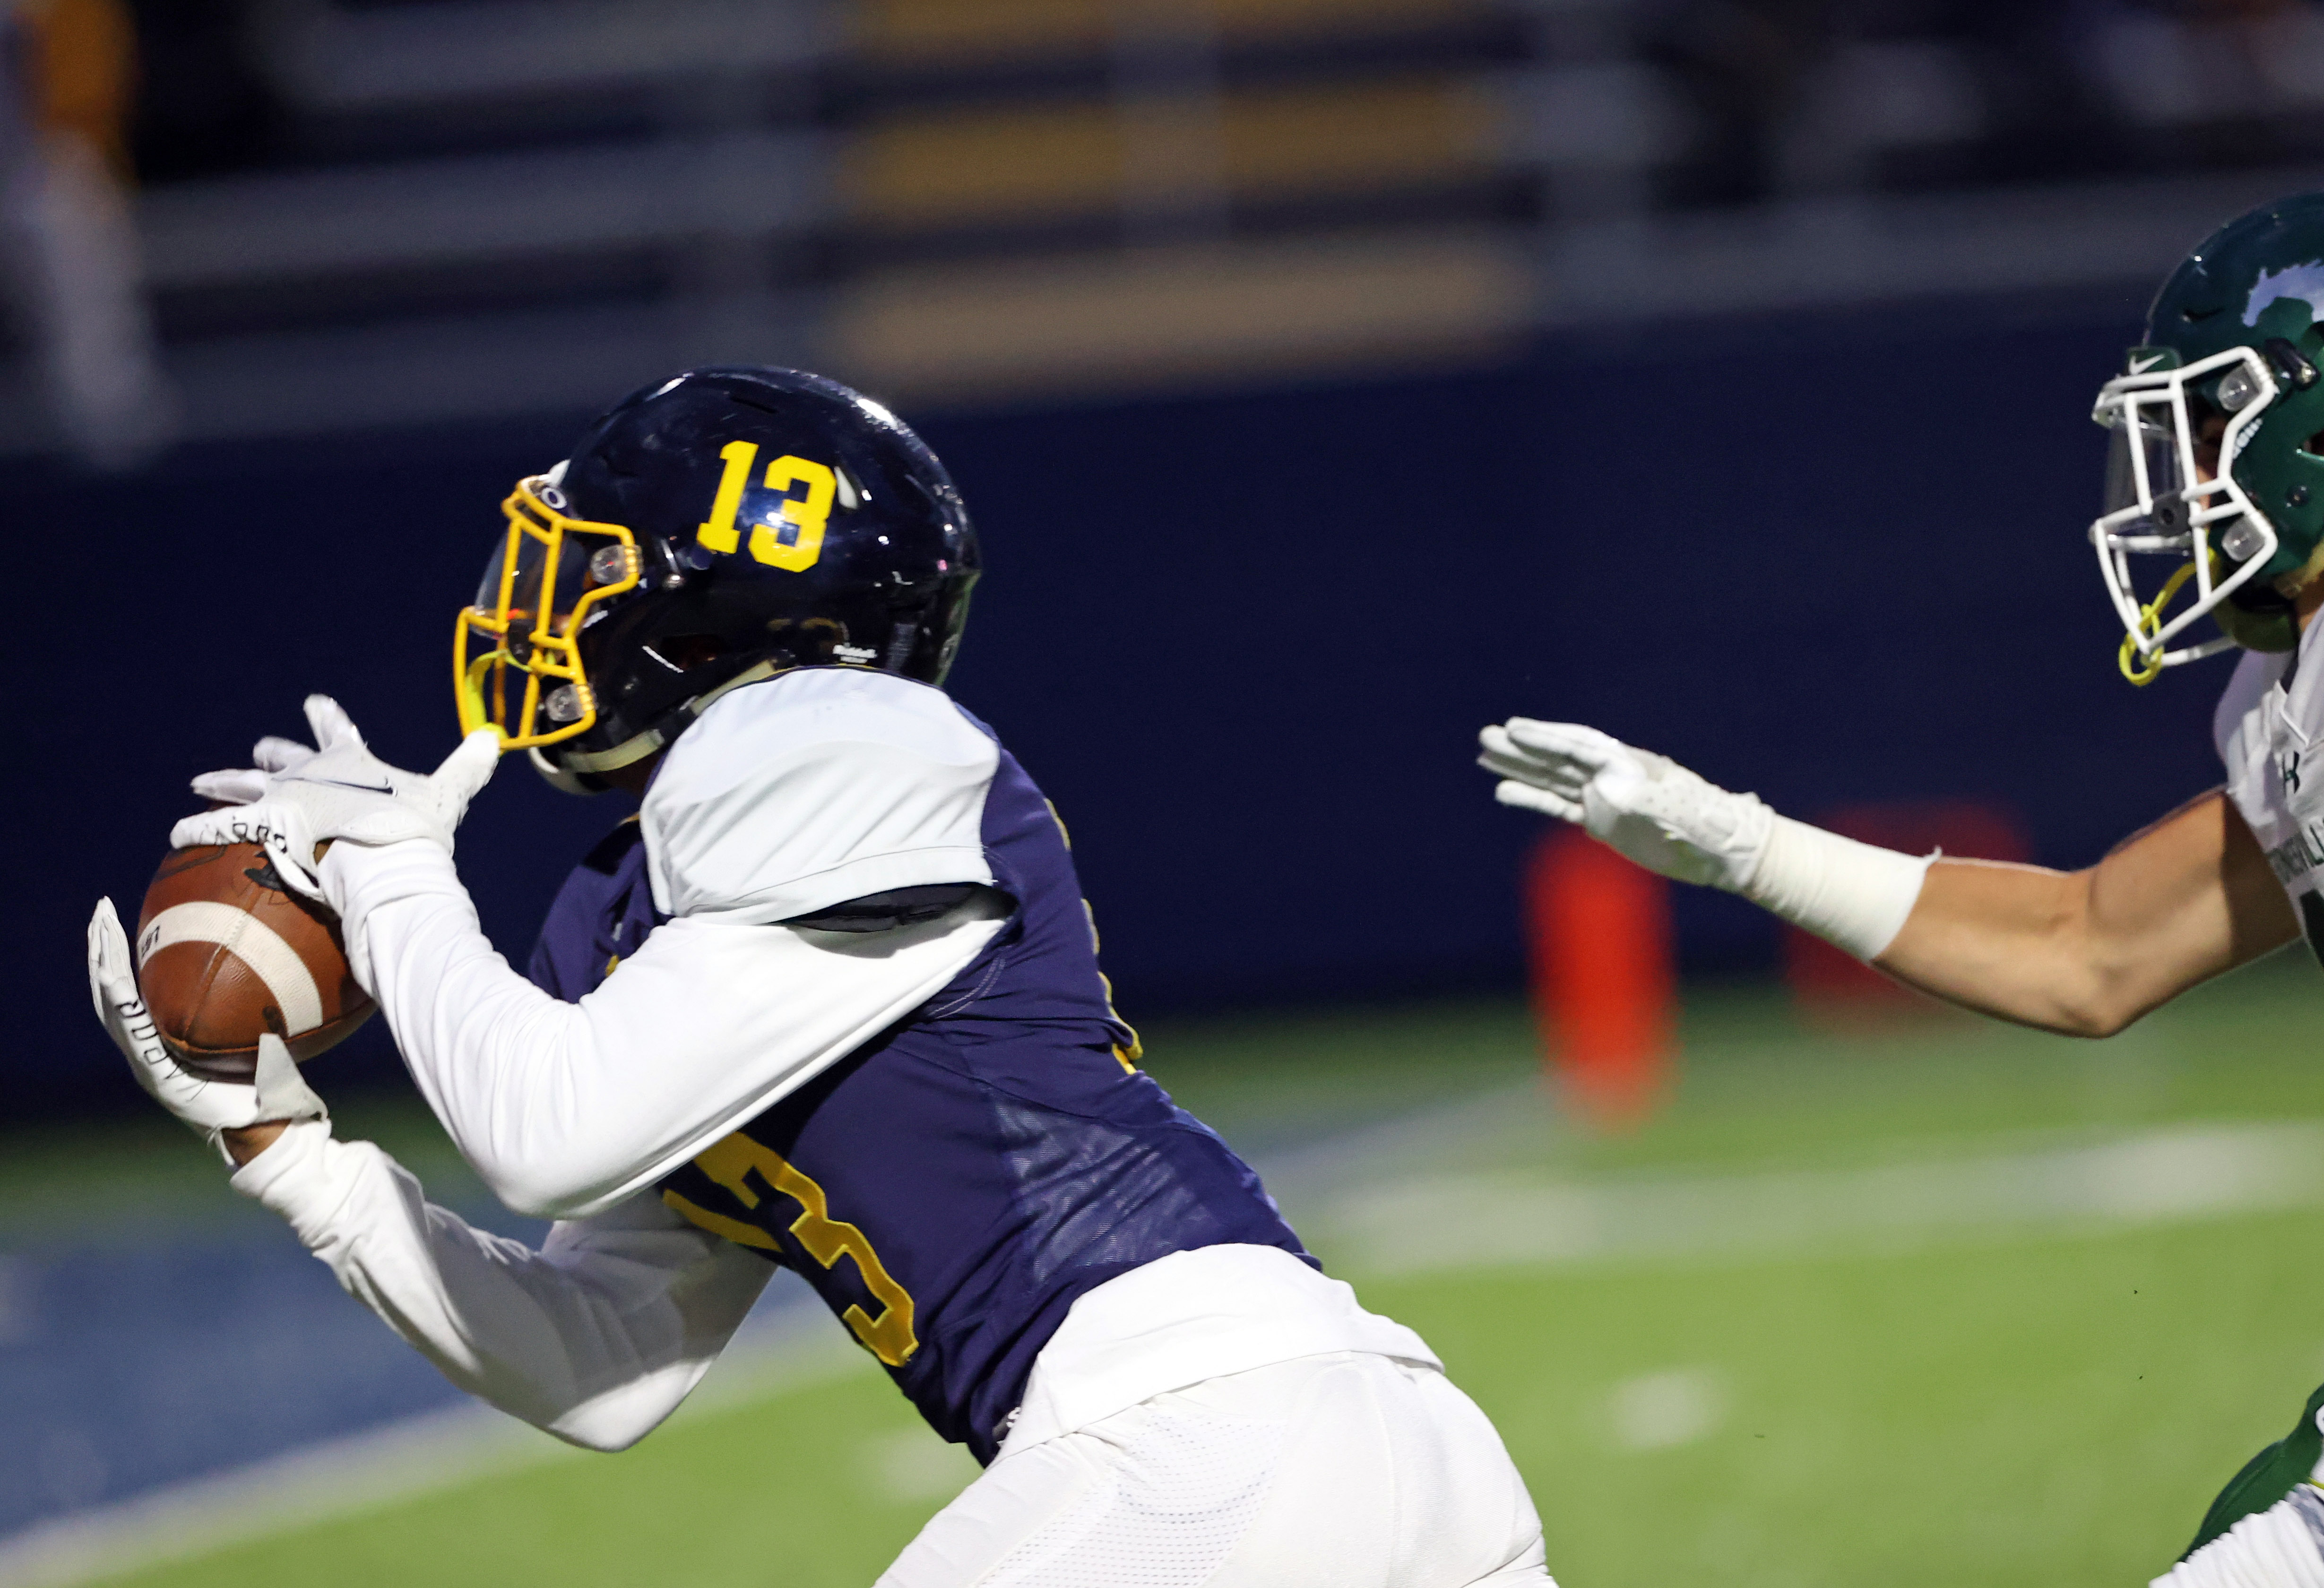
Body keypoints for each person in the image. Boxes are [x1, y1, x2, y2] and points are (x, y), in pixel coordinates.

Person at [88, 366, 1554, 1587]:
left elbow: (544, 1137)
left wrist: (395, 873)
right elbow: (603, 1365)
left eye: (590, 562)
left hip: (1206, 1435)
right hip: (1314, 1453)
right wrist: (292, 1158)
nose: (541, 601)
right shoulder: (639, 906)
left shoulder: (834, 738)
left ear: (720, 609)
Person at [1481, 187, 2324, 1588]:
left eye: (2206, 428)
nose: (2178, 483)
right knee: (2311, 1485)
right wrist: (1739, 842)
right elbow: (2092, 948)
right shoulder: (2312, 678)